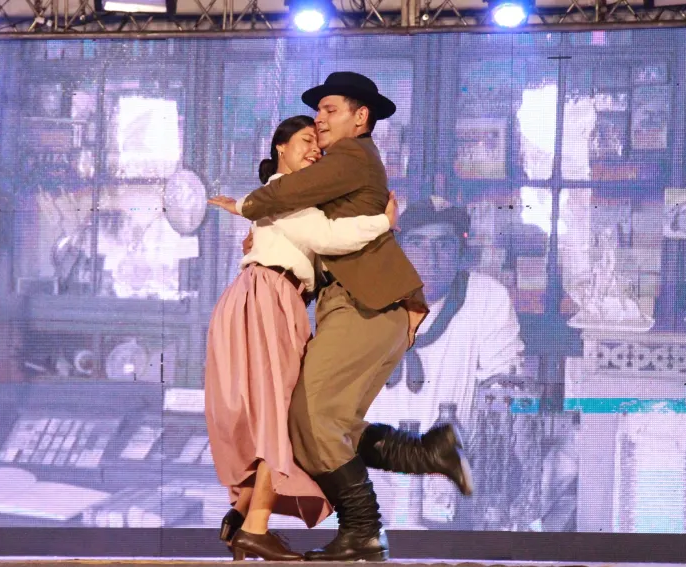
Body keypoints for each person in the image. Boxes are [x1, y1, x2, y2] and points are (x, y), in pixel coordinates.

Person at [219, 72, 474, 562]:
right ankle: (428, 452)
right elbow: (311, 228)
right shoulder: (342, 170)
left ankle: (362, 532)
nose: (320, 118)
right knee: (325, 423)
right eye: (318, 112)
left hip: (365, 305)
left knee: (311, 418)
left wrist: (246, 205)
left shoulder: (351, 155)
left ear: (361, 118)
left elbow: (293, 194)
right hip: (360, 307)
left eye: (330, 110)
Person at [204, 115, 401, 561]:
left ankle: (241, 516)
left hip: (265, 296)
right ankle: (254, 527)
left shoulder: (282, 197)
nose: (315, 150)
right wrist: (382, 223)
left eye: (318, 145)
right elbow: (328, 237)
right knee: (280, 415)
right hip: (270, 296)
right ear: (281, 147)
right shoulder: (285, 193)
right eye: (306, 141)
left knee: (273, 414)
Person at [365, 196, 524, 529]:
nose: (431, 257)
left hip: (447, 471)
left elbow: (503, 389)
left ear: (461, 251)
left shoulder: (486, 298)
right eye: (417, 244)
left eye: (444, 244)